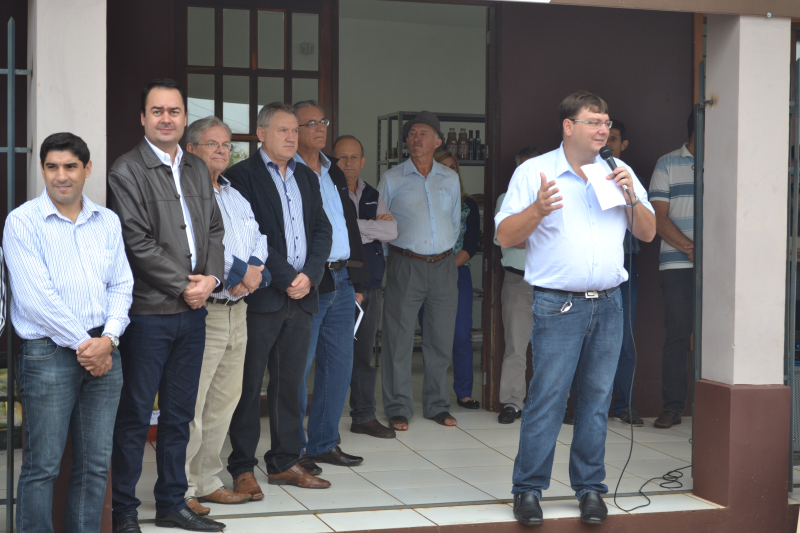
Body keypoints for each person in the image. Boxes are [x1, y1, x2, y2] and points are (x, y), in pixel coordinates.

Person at [496, 91, 655, 526]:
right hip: (558, 304)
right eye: (593, 122)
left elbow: (646, 232)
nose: (603, 130)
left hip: (609, 304)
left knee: (597, 399)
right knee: (548, 397)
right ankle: (528, 489)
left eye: (606, 123)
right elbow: (505, 236)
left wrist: (631, 197)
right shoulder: (535, 172)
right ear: (569, 127)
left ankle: (590, 488)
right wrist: (537, 209)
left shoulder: (618, 172)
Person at [108, 78, 226, 533]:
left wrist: (211, 279)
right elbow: (135, 241)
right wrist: (185, 286)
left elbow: (214, 230)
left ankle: (172, 503)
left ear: (183, 118)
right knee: (136, 415)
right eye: (157, 111)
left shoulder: (196, 167)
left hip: (193, 314)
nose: (166, 119)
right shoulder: (127, 169)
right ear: (143, 118)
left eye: (174, 111)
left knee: (180, 414)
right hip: (149, 314)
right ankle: (124, 511)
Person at [4, 132, 130, 533]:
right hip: (48, 354)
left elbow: (122, 284)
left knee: (95, 465)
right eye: (52, 166)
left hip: (105, 348)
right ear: (42, 169)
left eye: (71, 166)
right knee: (43, 465)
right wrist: (89, 346)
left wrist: (108, 339)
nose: (61, 176)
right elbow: (36, 299)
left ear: (87, 169)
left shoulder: (107, 221)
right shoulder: (23, 221)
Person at [225, 102, 332, 497]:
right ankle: (242, 467)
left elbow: (322, 229)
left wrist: (311, 276)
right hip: (262, 296)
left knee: (290, 385)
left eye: (294, 131)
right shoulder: (241, 176)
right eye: (282, 130)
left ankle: (285, 462)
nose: (291, 137)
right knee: (248, 386)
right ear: (261, 133)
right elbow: (250, 236)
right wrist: (289, 277)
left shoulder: (306, 176)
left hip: (302, 297)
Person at [182, 117, 271, 516]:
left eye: (225, 144)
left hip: (239, 310)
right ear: (190, 150)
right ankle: (182, 486)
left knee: (224, 402)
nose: (221, 150)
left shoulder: (234, 194)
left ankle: (207, 481)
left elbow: (259, 238)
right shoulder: (186, 193)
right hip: (206, 311)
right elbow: (196, 244)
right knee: (194, 404)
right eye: (212, 144)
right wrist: (240, 273)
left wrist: (255, 273)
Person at [292, 100, 369, 472]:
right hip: (309, 278)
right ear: (293, 130)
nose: (320, 128)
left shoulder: (333, 170)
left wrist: (358, 278)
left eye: (322, 121)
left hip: (342, 277)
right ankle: (293, 449)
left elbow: (347, 222)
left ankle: (324, 443)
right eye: (311, 123)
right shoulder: (288, 169)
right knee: (298, 365)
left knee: (339, 365)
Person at [378, 111, 461, 431]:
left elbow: (454, 222)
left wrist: (443, 251)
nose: (416, 138)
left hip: (443, 266)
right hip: (405, 264)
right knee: (398, 340)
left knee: (440, 339)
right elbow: (381, 226)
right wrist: (393, 264)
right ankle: (398, 407)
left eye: (423, 133)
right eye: (412, 133)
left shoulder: (449, 178)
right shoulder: (392, 178)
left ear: (437, 141)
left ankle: (437, 405)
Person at [333, 134, 398, 439]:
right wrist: (372, 228)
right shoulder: (326, 191)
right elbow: (333, 231)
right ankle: (326, 424)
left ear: (363, 162)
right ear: (332, 161)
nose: (348, 163)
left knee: (363, 354)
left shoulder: (372, 193)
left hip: (370, 284)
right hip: (339, 284)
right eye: (342, 157)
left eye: (353, 157)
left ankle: (363, 416)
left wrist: (354, 228)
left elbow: (392, 230)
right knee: (335, 355)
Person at [417, 150, 481, 409]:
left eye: (452, 167)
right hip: (423, 273)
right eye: (442, 166)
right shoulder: (421, 201)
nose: (448, 171)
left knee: (461, 334)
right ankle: (436, 394)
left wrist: (446, 268)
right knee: (432, 336)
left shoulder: (469, 205)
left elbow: (471, 245)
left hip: (457, 273)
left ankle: (464, 392)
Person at [648, 112, 696, 430]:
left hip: (721, 266)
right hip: (677, 265)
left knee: (721, 336)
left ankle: (710, 408)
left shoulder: (725, 161)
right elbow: (658, 218)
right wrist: (693, 250)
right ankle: (673, 407)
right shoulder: (667, 164)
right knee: (678, 334)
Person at [494, 147, 539, 424]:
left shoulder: (558, 198)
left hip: (552, 283)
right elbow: (508, 239)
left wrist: (529, 236)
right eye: (523, 168)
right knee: (515, 347)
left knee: (555, 350)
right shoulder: (507, 199)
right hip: (518, 280)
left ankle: (553, 404)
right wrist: (544, 238)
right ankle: (512, 403)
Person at [605, 119, 644, 427]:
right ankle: (583, 405)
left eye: (614, 139)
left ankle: (623, 405)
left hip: (627, 265)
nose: (608, 144)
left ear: (623, 145)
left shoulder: (630, 178)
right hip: (595, 269)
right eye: (604, 138)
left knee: (624, 340)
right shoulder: (586, 175)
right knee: (588, 339)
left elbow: (645, 227)